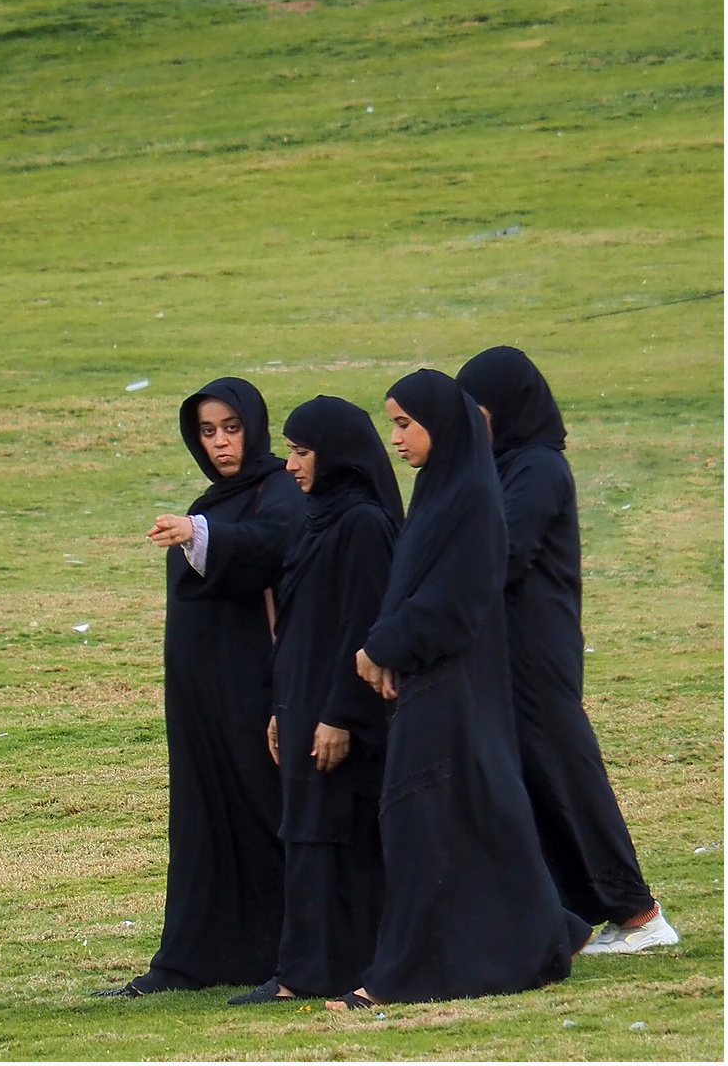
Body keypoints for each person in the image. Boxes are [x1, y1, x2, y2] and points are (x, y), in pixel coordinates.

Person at [327, 369, 591, 1010]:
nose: (395, 437)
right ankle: (548, 934)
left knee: (428, 826)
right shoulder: (443, 491)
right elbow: (413, 588)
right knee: (480, 817)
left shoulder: (472, 498)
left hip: (454, 685)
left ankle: (400, 977)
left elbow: (458, 600)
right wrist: (385, 644)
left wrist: (383, 647)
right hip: (438, 682)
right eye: (392, 422)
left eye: (404, 423)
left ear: (441, 427)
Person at [455, 346, 678, 954]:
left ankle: (638, 915)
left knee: (566, 774)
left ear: (504, 408)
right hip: (505, 648)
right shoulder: (502, 465)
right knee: (532, 776)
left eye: (475, 411)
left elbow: (506, 552)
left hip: (536, 648)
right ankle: (572, 914)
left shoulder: (537, 467)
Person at [94, 376, 305, 997]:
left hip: (254, 687)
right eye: (208, 432)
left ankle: (291, 952)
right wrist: (200, 527)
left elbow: (277, 546)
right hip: (199, 694)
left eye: (231, 428)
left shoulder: (278, 491)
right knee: (203, 818)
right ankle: (193, 958)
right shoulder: (213, 498)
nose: (219, 444)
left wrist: (203, 536)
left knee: (267, 810)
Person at [229, 396, 404, 1004]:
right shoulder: (317, 517)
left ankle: (325, 970)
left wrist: (340, 714)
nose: (290, 465)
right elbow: (300, 624)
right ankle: (301, 970)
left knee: (337, 836)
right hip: (302, 702)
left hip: (337, 711)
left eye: (302, 452)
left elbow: (363, 629)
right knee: (305, 832)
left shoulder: (361, 524)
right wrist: (283, 708)